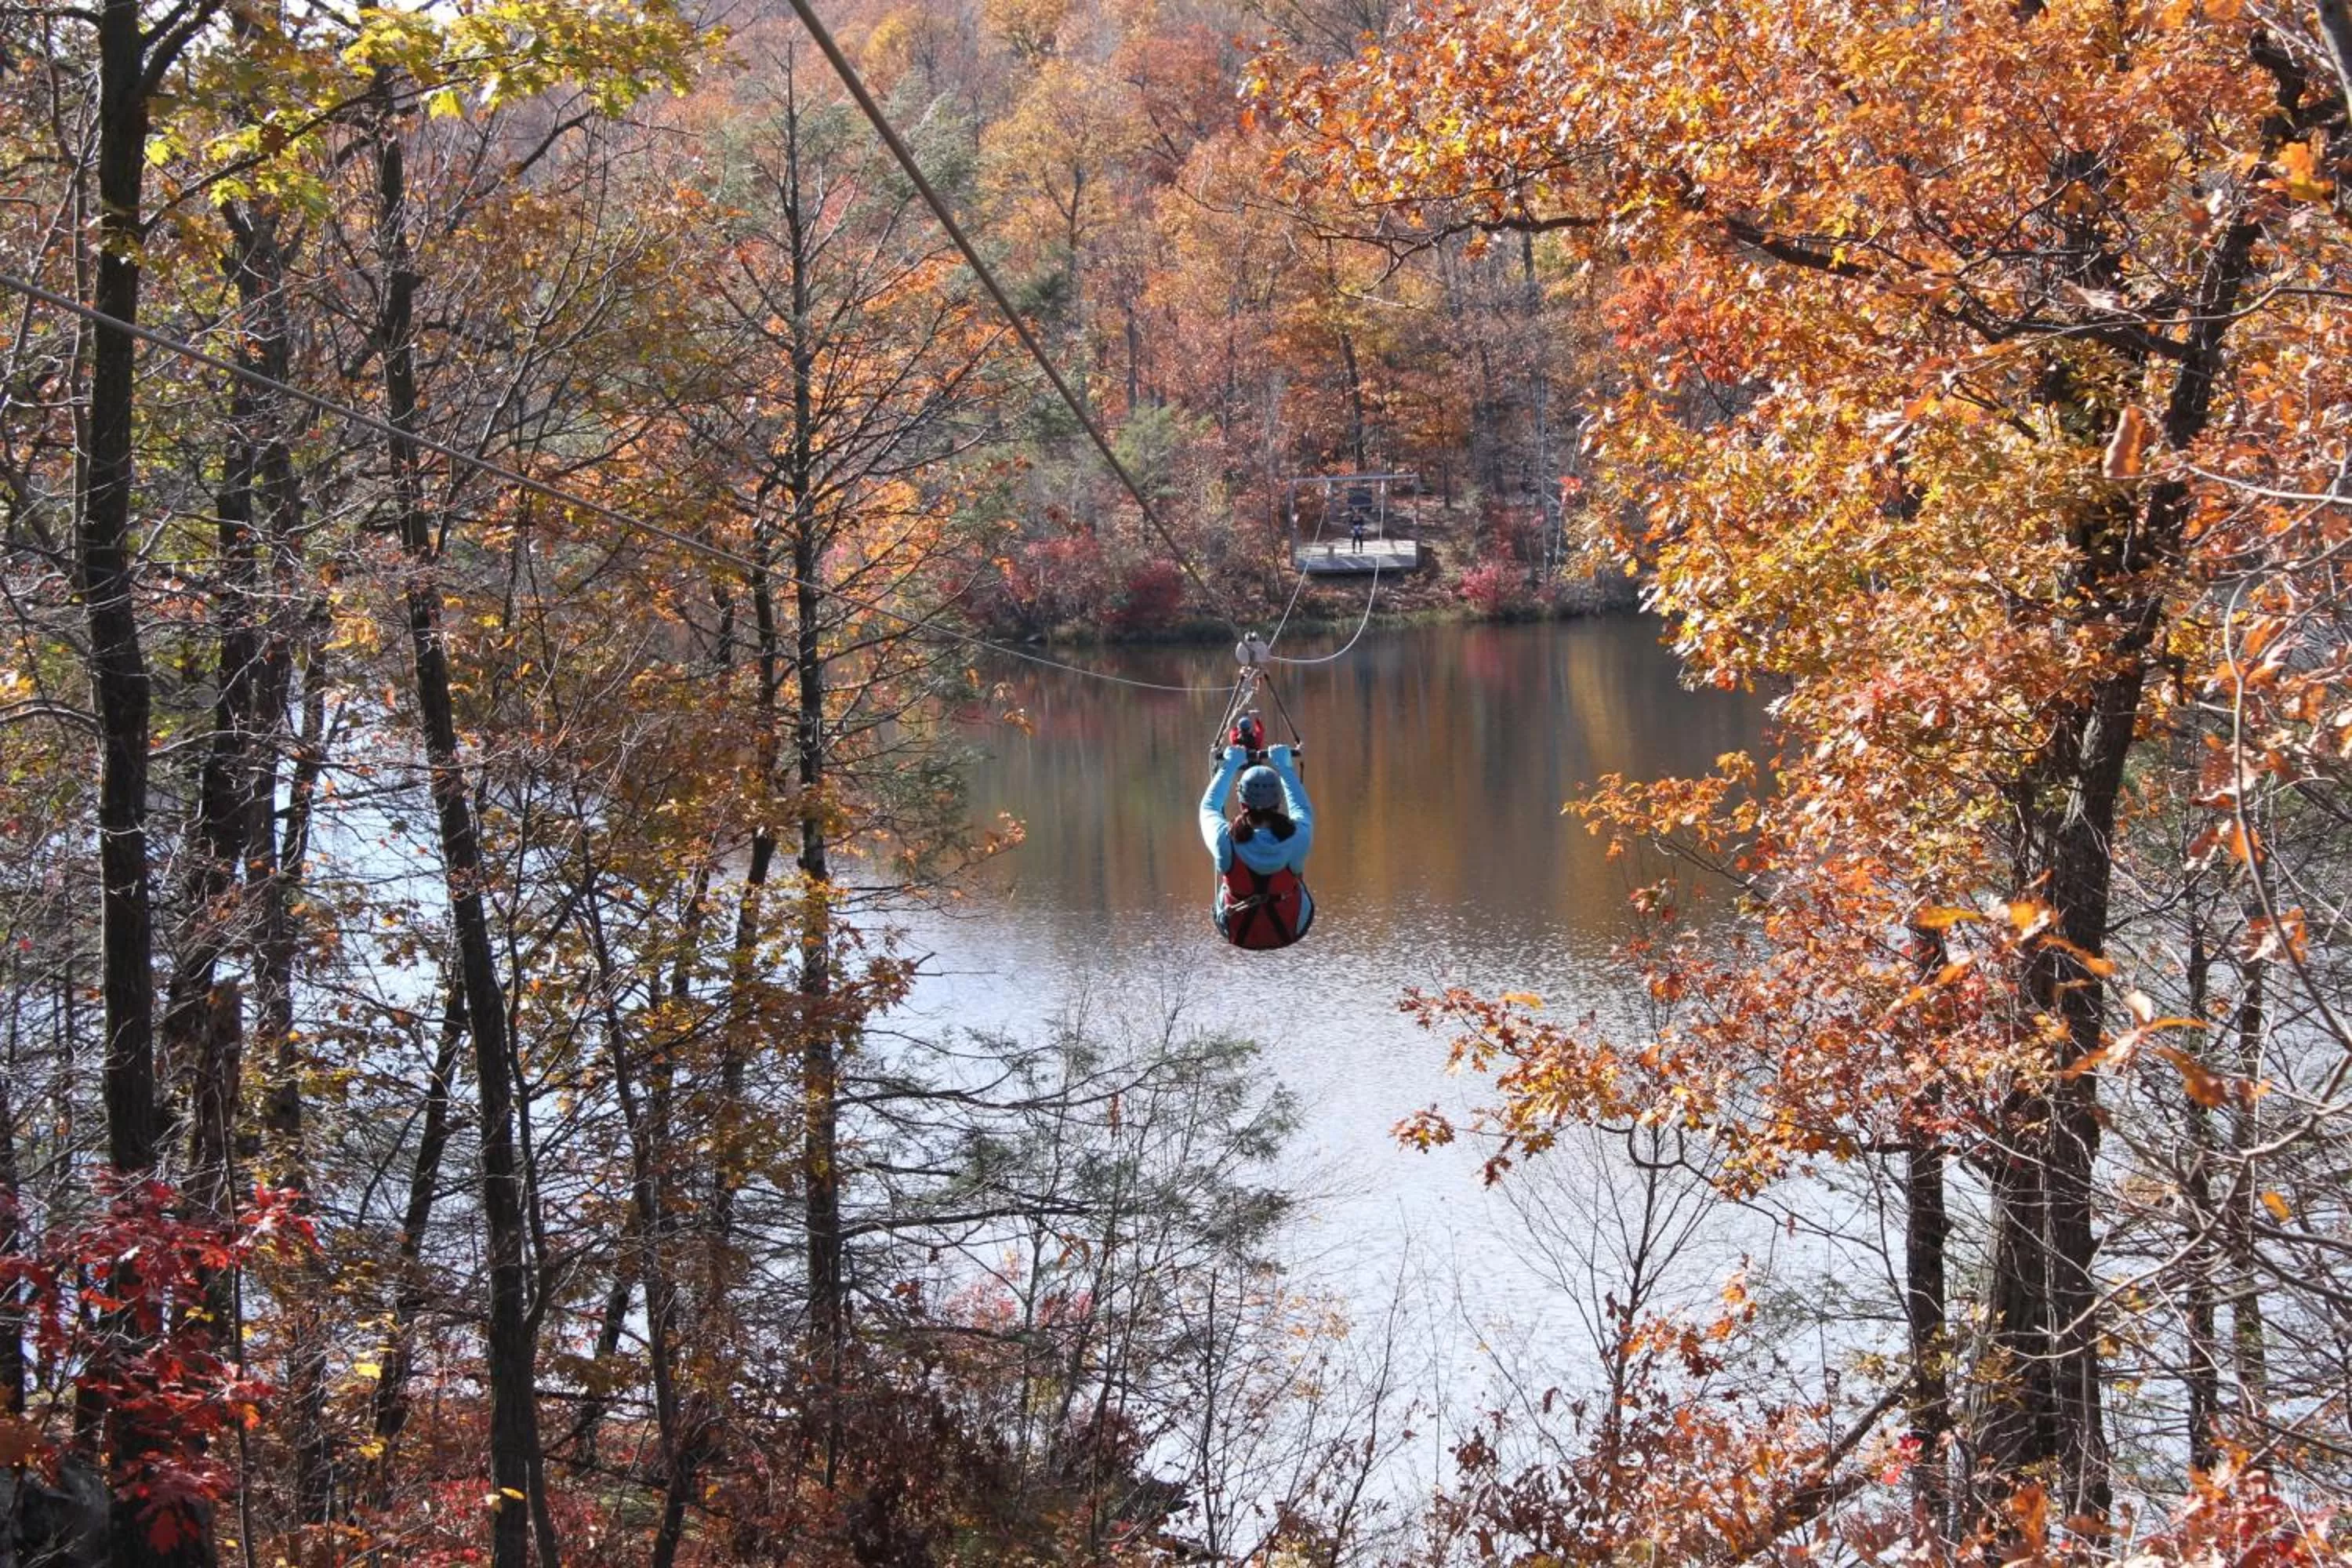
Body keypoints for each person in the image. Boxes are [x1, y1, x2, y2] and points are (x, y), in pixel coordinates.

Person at [1200, 742, 1314, 949]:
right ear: (1278, 802)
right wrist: (1285, 767)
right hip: (1290, 929)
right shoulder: (1298, 837)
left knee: (1227, 871)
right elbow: (1301, 808)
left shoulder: (1224, 839)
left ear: (1242, 803)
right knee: (1296, 873)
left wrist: (1229, 766)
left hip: (1238, 932)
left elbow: (1209, 807)